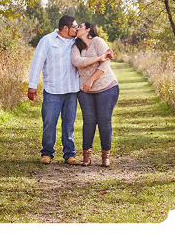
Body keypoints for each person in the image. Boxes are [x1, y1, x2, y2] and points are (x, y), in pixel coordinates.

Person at [27, 15, 81, 164]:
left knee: (69, 124)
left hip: (71, 90)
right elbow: (37, 63)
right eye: (74, 27)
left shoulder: (76, 42)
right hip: (52, 90)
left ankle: (70, 154)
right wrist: (32, 85)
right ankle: (47, 153)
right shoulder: (47, 41)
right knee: (49, 123)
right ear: (65, 28)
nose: (76, 29)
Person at [72, 22, 118, 167]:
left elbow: (105, 65)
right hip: (85, 90)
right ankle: (87, 156)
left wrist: (91, 80)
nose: (77, 28)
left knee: (104, 121)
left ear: (88, 29)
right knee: (89, 121)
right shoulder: (76, 45)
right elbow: (76, 61)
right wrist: (98, 58)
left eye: (80, 25)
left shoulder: (98, 42)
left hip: (106, 86)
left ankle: (106, 156)